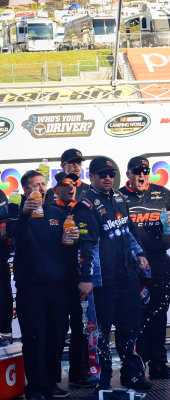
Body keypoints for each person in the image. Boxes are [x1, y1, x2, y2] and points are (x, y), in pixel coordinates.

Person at [74, 157, 151, 393]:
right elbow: (85, 245)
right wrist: (86, 278)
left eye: (110, 173)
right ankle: (102, 382)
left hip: (126, 276)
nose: (107, 178)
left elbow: (127, 231)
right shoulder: (85, 205)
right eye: (102, 174)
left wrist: (139, 254)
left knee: (130, 328)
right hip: (102, 281)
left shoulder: (118, 197)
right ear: (92, 177)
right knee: (99, 333)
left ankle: (132, 375)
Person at [12, 170, 78, 400]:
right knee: (34, 338)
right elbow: (11, 237)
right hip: (30, 288)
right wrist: (24, 215)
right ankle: (35, 388)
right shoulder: (15, 213)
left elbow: (67, 249)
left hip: (58, 287)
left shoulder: (58, 213)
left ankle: (51, 383)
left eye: (42, 184)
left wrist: (73, 241)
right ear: (25, 190)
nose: (39, 189)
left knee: (57, 337)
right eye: (34, 186)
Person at [120, 156, 170, 379]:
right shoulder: (119, 196)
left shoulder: (163, 193)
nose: (141, 176)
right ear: (128, 173)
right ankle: (135, 367)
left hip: (159, 261)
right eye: (137, 171)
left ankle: (159, 364)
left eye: (145, 172)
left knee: (158, 314)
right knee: (133, 316)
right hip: (131, 265)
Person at [51, 172, 93, 388]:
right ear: (56, 189)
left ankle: (79, 373)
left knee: (81, 326)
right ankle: (53, 378)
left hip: (79, 277)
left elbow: (91, 239)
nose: (71, 187)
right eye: (66, 184)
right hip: (56, 279)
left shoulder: (83, 208)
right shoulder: (48, 209)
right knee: (57, 327)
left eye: (74, 184)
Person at [0, 189, 15, 346]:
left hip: (2, 259)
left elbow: (7, 223)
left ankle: (6, 336)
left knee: (5, 300)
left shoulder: (1, 195)